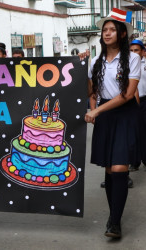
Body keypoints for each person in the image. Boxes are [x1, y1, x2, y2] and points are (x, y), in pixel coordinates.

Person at [84, 8, 141, 238]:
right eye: (104, 30)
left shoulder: (133, 58)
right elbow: (92, 91)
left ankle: (115, 222)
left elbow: (127, 94)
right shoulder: (96, 60)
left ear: (122, 34)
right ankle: (113, 217)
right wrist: (93, 109)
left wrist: (97, 109)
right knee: (109, 168)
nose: (107, 33)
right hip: (106, 115)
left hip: (125, 113)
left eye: (112, 30)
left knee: (119, 168)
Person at [129, 39, 146, 171]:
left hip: (145, 101)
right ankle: (134, 161)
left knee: (144, 131)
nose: (133, 53)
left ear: (142, 52)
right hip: (130, 101)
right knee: (132, 132)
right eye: (131, 50)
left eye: (136, 50)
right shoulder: (126, 65)